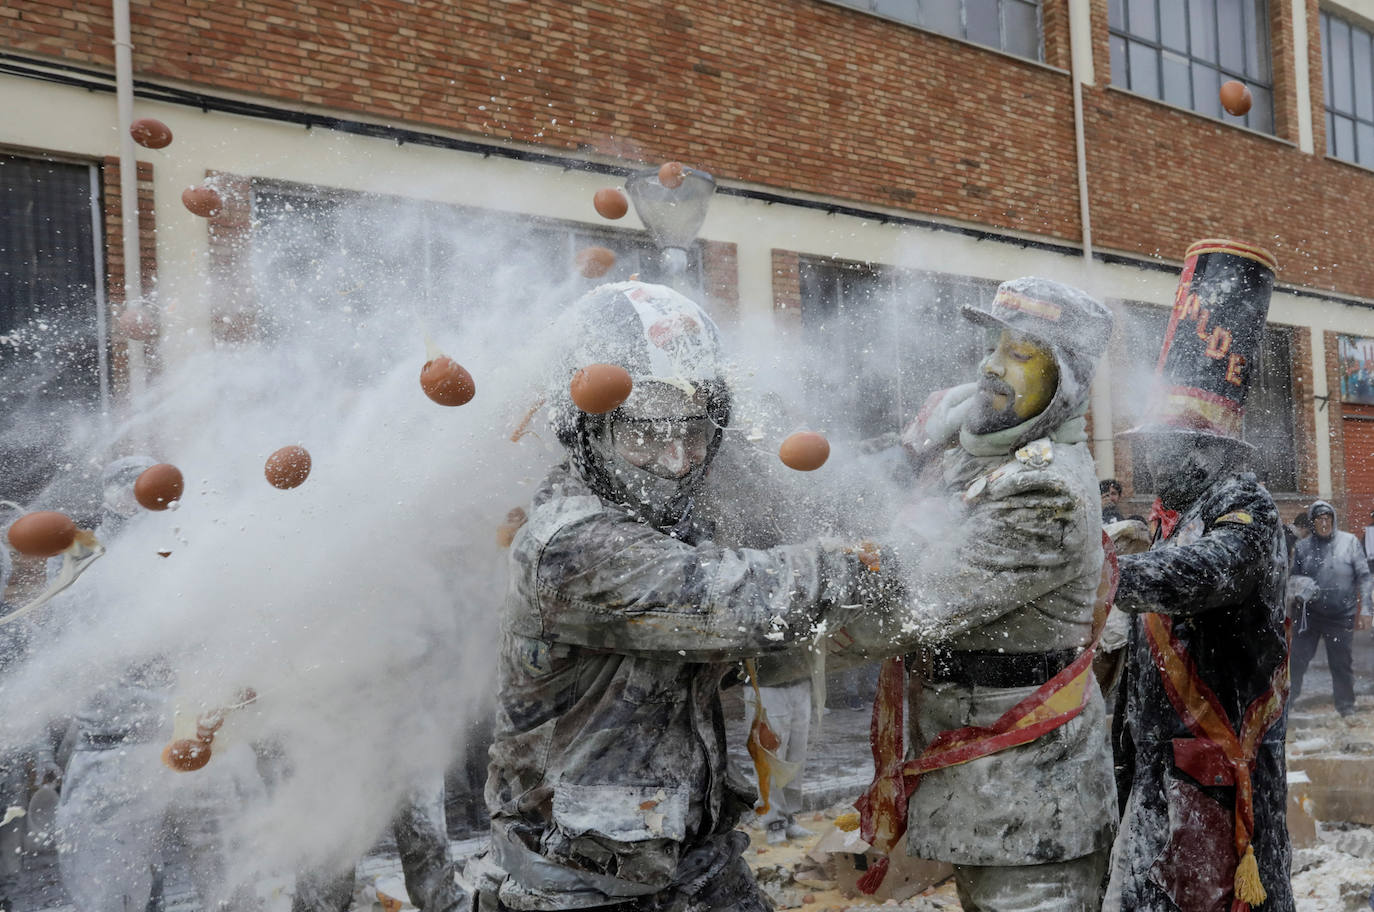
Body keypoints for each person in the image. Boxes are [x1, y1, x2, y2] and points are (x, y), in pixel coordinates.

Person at [464, 281, 889, 912]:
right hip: (578, 878)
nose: (675, 460)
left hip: (684, 856)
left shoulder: (668, 526)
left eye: (692, 433)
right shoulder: (572, 542)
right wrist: (860, 566)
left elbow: (757, 651)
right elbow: (726, 606)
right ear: (588, 430)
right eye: (646, 434)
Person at [839, 276, 1118, 911]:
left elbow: (915, 602)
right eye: (996, 345)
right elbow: (870, 490)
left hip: (1028, 790)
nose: (992, 365)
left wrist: (763, 609)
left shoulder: (1044, 489)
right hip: (980, 774)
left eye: (1021, 354)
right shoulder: (972, 447)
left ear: (1065, 383)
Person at [1104, 239, 1292, 912]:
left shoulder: (1245, 506)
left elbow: (1204, 573)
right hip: (1160, 768)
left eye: (1164, 447)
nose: (1150, 462)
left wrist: (1107, 573)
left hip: (1218, 774)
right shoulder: (1172, 517)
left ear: (1209, 451)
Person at [54, 456, 268, 912]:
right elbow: (73, 663)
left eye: (146, 488)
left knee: (237, 889)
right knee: (112, 896)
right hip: (115, 752)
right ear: (109, 497)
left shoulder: (199, 550)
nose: (138, 498)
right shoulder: (82, 558)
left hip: (207, 750)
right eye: (126, 488)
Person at [1290, 500, 1372, 721]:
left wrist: (1366, 609)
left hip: (1340, 615)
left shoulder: (1350, 543)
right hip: (1309, 616)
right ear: (1313, 522)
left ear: (1334, 520)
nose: (1324, 522)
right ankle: (1286, 705)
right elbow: (1291, 580)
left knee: (1341, 663)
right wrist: (1301, 585)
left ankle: (1346, 706)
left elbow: (1364, 577)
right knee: (1297, 660)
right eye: (1319, 519)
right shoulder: (1303, 547)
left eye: (1328, 518)